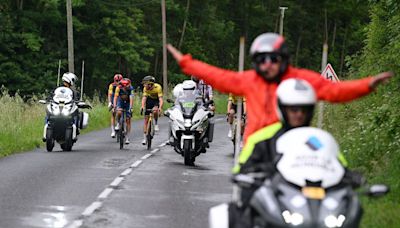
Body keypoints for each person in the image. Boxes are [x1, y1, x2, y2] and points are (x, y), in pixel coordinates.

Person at [167, 33, 393, 144]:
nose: (268, 64)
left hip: (294, 145)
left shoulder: (300, 79)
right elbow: (217, 76)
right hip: (256, 148)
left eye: (274, 58)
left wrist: (367, 85)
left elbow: (335, 91)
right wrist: (186, 62)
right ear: (256, 60)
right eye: (262, 59)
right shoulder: (250, 80)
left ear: (283, 58)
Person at [141, 75, 163, 145]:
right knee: (146, 120)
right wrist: (142, 106)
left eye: (146, 83)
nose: (144, 85)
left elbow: (160, 99)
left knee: (155, 111)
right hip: (149, 100)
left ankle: (156, 123)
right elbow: (144, 98)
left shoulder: (158, 87)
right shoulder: (145, 88)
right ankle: (144, 137)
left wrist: (160, 107)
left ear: (151, 84)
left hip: (156, 100)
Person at [113, 78, 134, 144]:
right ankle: (118, 123)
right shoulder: (118, 88)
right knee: (119, 112)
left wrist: (131, 107)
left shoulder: (131, 88)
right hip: (120, 101)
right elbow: (116, 97)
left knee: (128, 119)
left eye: (126, 86)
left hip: (128, 102)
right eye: (124, 86)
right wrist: (114, 106)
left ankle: (127, 137)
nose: (125, 87)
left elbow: (131, 98)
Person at [108, 74, 123, 138]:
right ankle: (113, 131)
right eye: (117, 81)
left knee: (120, 111)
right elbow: (110, 94)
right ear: (114, 80)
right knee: (113, 113)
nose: (118, 82)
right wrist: (110, 102)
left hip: (120, 97)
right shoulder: (112, 85)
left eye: (119, 81)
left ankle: (119, 123)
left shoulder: (123, 85)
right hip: (114, 97)